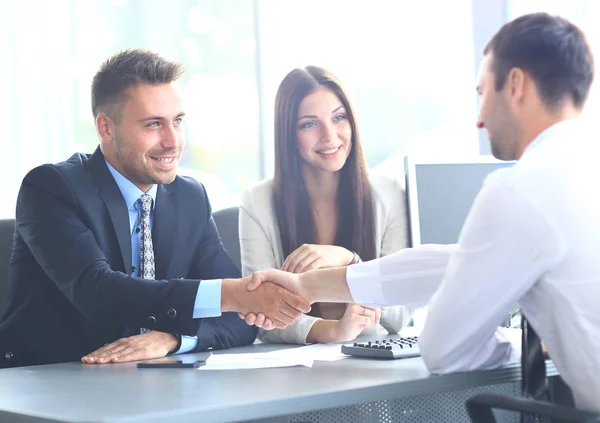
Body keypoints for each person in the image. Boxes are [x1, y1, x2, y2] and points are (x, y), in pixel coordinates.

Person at [246, 13, 600, 412]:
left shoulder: (522, 189)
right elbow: (457, 262)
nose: (479, 118)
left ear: (515, 85)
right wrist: (311, 287)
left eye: (483, 93)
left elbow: (446, 350)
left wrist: (526, 343)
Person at [0, 49, 309, 369]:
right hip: (51, 380)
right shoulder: (52, 187)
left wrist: (173, 338)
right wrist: (230, 294)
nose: (172, 141)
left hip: (155, 382)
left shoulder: (189, 197)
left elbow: (242, 320)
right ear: (106, 128)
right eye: (153, 125)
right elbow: (98, 291)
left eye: (177, 121)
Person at [239, 66, 412, 344]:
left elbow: (400, 313)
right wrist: (333, 332)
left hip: (372, 356)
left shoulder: (389, 192)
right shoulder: (257, 201)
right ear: (289, 134)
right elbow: (262, 315)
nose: (329, 135)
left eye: (339, 118)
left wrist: (350, 260)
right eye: (309, 124)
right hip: (293, 365)